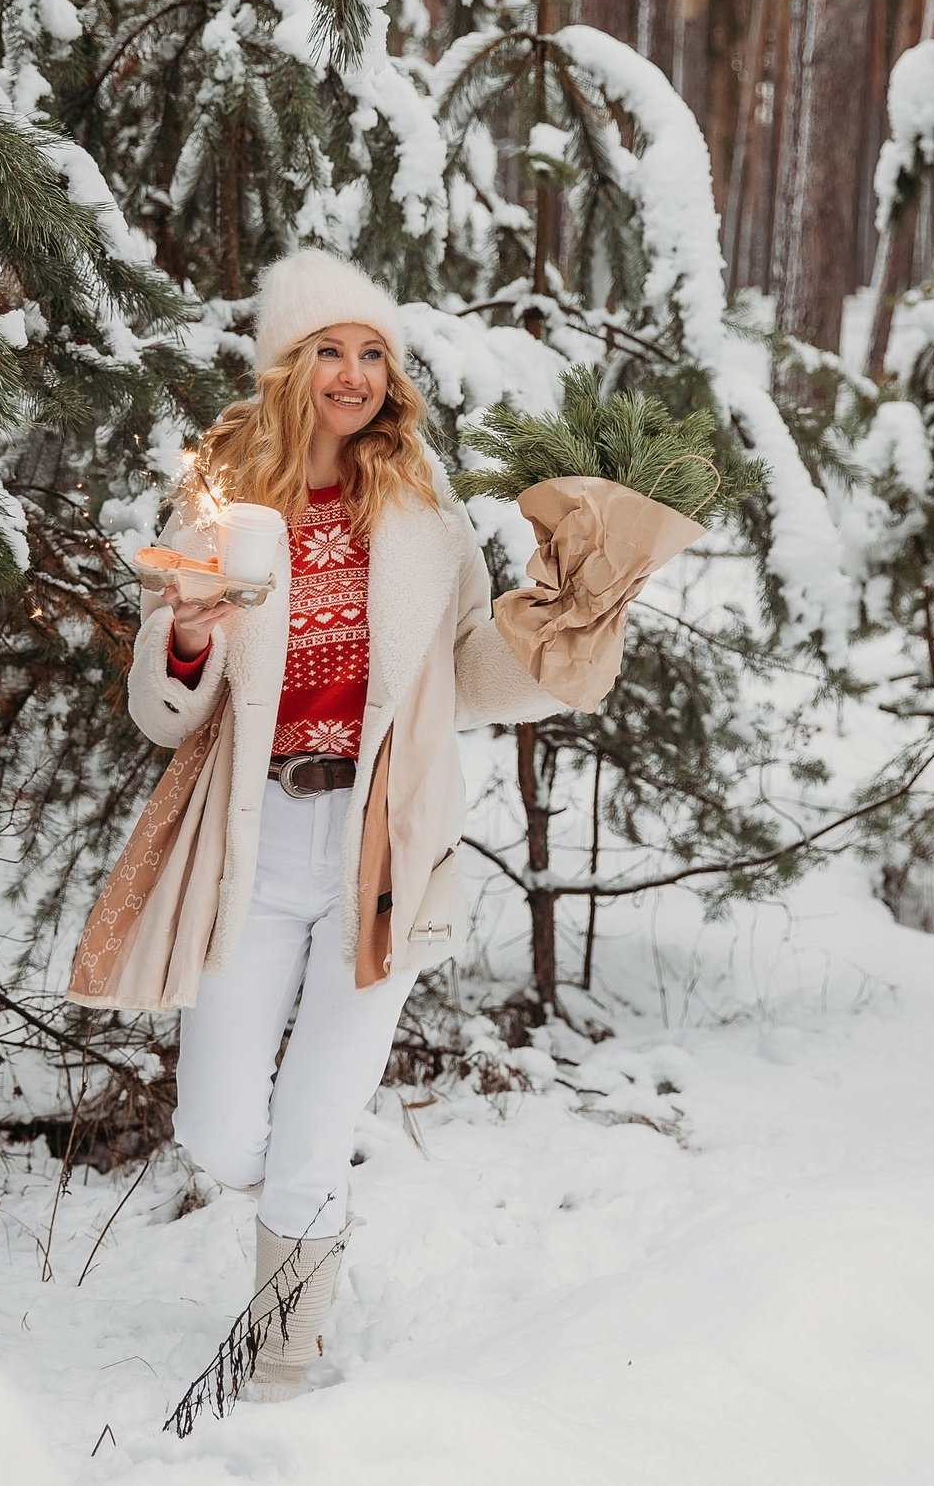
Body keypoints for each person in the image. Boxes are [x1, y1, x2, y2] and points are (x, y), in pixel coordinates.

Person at [126, 248, 569, 1401]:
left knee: (317, 1126)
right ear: (288, 365)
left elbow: (467, 675)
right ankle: (301, 1207)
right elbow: (165, 711)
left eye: (374, 353)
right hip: (257, 840)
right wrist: (186, 627)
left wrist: (555, 631)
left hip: (378, 842)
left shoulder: (419, 509)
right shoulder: (222, 503)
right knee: (221, 1128)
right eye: (332, 348)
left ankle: (288, 1353)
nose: (356, 373)